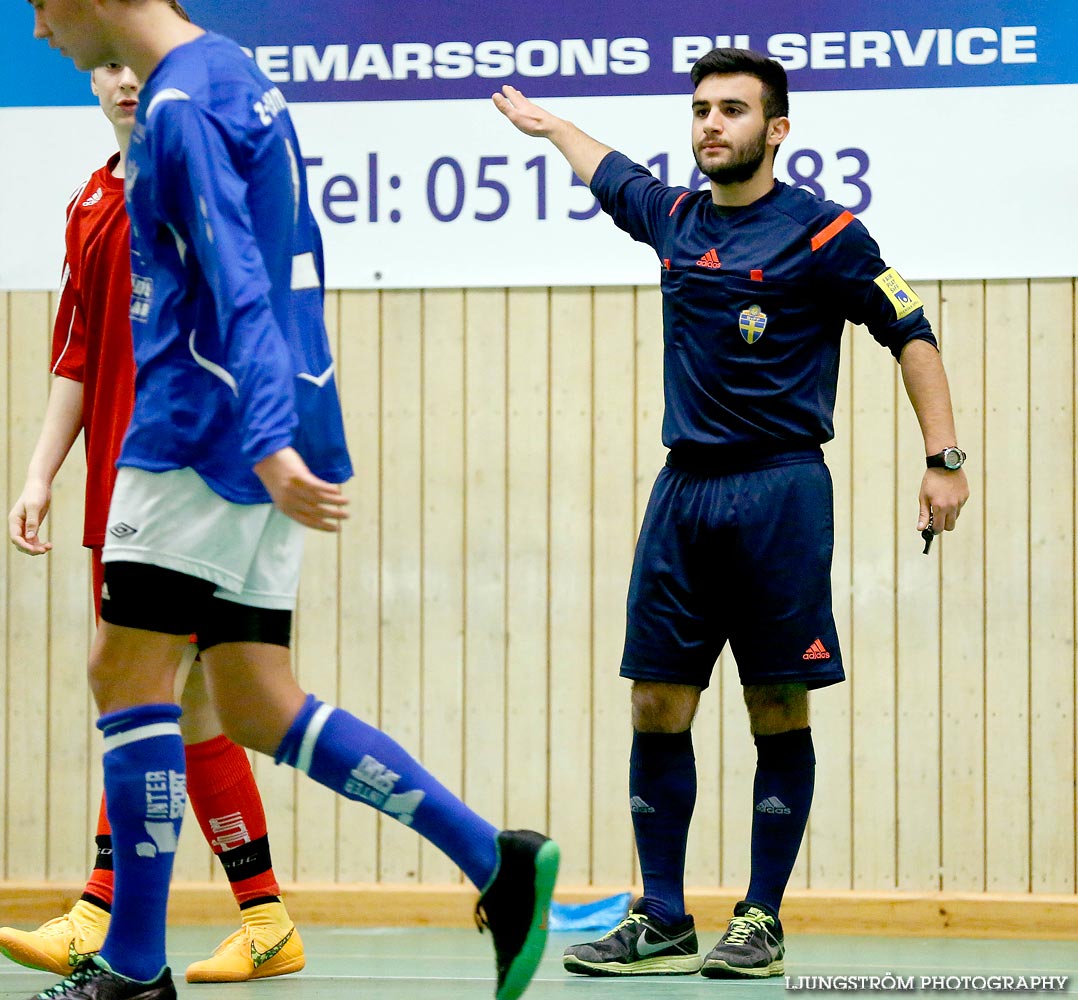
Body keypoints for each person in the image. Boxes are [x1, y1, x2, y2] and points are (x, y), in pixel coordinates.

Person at [24, 3, 558, 1000]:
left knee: (124, 671)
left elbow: (240, 282)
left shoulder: (182, 105)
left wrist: (262, 438)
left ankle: (133, 968)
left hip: (201, 430)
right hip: (265, 426)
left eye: (41, 7)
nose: (41, 32)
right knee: (259, 702)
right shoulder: (235, 76)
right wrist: (286, 428)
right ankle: (495, 856)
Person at [493, 47, 967, 979]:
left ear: (776, 129)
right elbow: (609, 167)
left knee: (775, 702)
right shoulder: (673, 217)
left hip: (781, 491)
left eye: (734, 111)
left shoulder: (829, 236)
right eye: (702, 109)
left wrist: (943, 460)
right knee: (655, 700)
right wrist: (551, 128)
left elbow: (910, 331)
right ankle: (662, 915)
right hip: (683, 494)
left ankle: (761, 916)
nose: (712, 124)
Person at [4, 46, 306, 986]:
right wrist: (40, 472)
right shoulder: (92, 203)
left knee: (160, 699)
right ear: (89, 83)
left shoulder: (198, 177)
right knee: (168, 704)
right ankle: (256, 919)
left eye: (137, 64)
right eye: (105, 68)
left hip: (193, 478)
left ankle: (112, 917)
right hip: (117, 489)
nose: (124, 80)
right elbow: (78, 356)